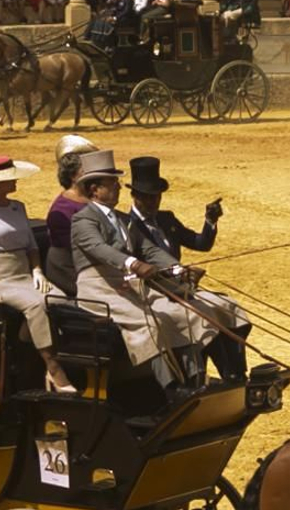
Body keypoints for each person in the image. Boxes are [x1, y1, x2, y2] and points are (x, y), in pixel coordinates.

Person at [69, 151, 214, 405]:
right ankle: (169, 391)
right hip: (97, 287)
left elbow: (150, 250)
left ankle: (195, 380)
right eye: (111, 183)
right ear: (95, 190)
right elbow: (100, 249)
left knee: (183, 314)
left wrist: (178, 269)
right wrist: (134, 264)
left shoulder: (124, 221)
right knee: (147, 321)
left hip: (125, 285)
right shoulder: (82, 220)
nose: (117, 187)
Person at [123, 157, 251, 383]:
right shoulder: (127, 226)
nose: (154, 202)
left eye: (157, 197)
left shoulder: (167, 219)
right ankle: (201, 377)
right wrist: (178, 274)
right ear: (135, 196)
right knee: (205, 316)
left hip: (184, 288)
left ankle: (236, 372)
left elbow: (201, 243)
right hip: (157, 293)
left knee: (230, 307)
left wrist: (210, 221)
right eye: (148, 197)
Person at [0, 156, 75, 395]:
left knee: (60, 299)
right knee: (36, 305)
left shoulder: (18, 207)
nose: (14, 181)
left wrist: (37, 271)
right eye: (9, 178)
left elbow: (31, 245)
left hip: (22, 274)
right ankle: (54, 369)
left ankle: (27, 341)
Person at [45, 134, 96, 297]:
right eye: (86, 169)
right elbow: (78, 250)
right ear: (74, 175)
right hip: (69, 271)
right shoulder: (61, 209)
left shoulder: (92, 198)